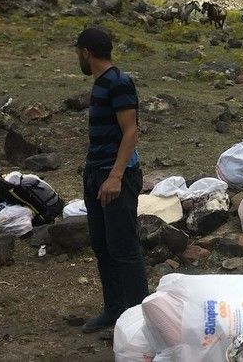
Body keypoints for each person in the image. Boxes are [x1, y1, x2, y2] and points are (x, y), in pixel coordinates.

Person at [74, 27, 149, 333]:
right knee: (103, 245)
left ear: (86, 53)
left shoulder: (119, 82)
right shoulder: (101, 84)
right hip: (96, 173)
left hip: (116, 175)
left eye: (77, 53)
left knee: (124, 247)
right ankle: (115, 311)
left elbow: (131, 131)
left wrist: (115, 176)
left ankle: (140, 324)